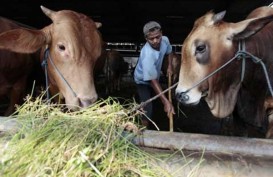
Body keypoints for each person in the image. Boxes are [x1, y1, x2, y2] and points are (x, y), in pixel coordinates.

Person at [134, 21, 175, 128]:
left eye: (158, 37)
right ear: (146, 38)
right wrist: (166, 102)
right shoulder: (147, 54)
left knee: (156, 98)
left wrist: (170, 65)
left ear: (161, 33)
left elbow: (169, 52)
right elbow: (153, 81)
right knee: (147, 106)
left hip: (154, 76)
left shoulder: (165, 40)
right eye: (151, 39)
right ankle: (143, 130)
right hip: (142, 80)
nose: (155, 41)